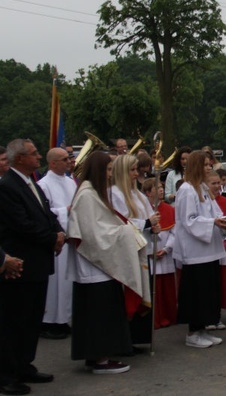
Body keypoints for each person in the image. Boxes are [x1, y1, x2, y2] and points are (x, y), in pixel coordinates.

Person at [66, 151, 151, 375]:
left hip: (99, 265)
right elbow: (93, 233)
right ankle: (102, 359)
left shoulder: (93, 192)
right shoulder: (87, 195)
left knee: (96, 314)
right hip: (95, 266)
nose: (111, 174)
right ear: (98, 170)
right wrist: (125, 232)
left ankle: (95, 356)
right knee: (100, 314)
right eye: (108, 170)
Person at [0, 139, 65, 394]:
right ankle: (6, 375)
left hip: (38, 261)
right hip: (19, 264)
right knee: (14, 320)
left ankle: (24, 364)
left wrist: (58, 232)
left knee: (31, 319)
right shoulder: (7, 187)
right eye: (34, 154)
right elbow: (22, 224)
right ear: (20, 159)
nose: (38, 157)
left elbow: (46, 214)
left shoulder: (30, 184)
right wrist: (51, 238)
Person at [174, 151, 226, 348]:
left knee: (208, 291)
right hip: (195, 251)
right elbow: (188, 220)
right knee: (196, 293)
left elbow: (215, 212)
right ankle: (192, 332)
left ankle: (202, 329)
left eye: (210, 164)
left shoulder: (203, 189)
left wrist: (224, 222)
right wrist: (212, 222)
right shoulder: (187, 190)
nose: (209, 168)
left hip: (209, 249)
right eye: (205, 165)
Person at [110, 155, 161, 349]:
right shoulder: (114, 193)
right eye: (131, 170)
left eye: (135, 169)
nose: (135, 174)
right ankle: (126, 339)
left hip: (141, 249)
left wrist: (153, 224)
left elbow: (149, 214)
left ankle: (139, 337)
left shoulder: (138, 194)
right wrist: (147, 223)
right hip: (127, 252)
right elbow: (120, 221)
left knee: (144, 290)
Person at [38, 148, 77, 340]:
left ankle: (63, 320)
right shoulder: (43, 185)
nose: (69, 161)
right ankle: (49, 322)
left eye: (69, 158)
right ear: (52, 163)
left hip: (71, 238)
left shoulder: (71, 182)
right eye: (64, 159)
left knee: (67, 283)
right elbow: (44, 212)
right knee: (55, 284)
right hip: (56, 239)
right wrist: (66, 210)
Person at [142, 178, 178, 329]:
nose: (161, 190)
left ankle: (170, 316)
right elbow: (142, 232)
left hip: (166, 254)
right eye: (157, 188)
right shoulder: (143, 212)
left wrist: (167, 249)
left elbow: (175, 233)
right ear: (148, 192)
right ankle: (155, 319)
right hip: (150, 256)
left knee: (167, 290)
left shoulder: (170, 210)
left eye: (162, 187)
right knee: (153, 289)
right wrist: (151, 251)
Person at [206, 170, 226, 330]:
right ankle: (208, 317)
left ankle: (217, 317)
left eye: (219, 183)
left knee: (220, 285)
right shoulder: (202, 201)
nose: (218, 186)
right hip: (208, 248)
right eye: (213, 183)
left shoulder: (225, 202)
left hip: (224, 249)